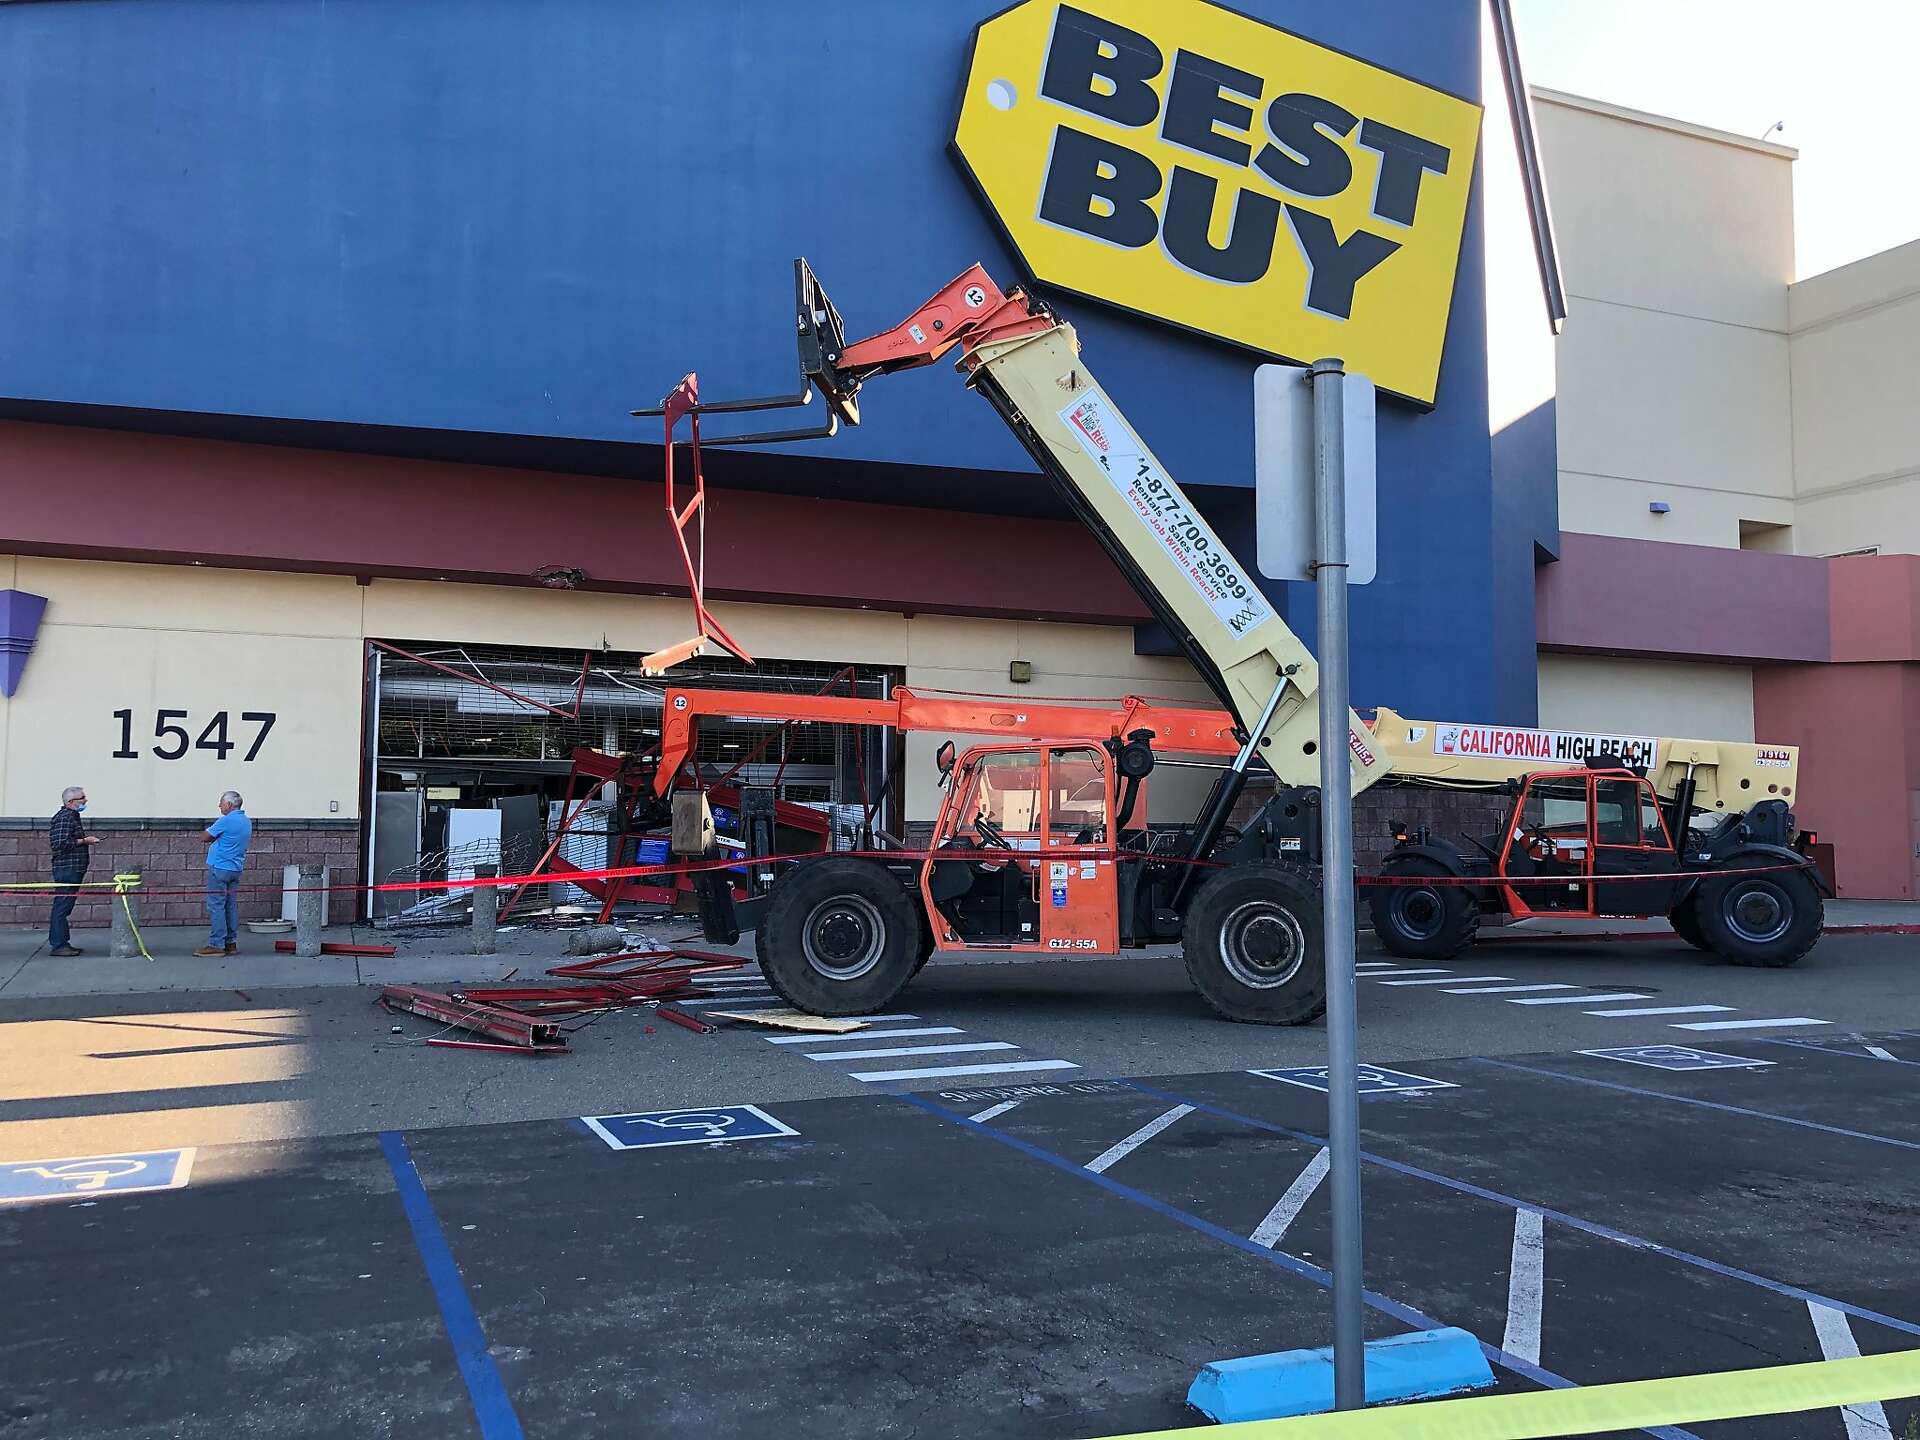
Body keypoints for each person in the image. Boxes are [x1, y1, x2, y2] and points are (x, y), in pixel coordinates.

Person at [197, 790, 253, 957]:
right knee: (230, 905)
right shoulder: (246, 821)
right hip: (235, 868)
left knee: (216, 906)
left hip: (220, 867)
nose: (219, 805)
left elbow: (205, 837)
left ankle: (216, 944)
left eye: (221, 803)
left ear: (229, 804)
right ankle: (230, 943)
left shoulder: (226, 820)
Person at [47, 784, 101, 956]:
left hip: (72, 868)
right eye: (82, 798)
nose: (85, 800)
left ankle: (62, 943)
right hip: (67, 868)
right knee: (62, 906)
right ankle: (59, 945)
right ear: (70, 801)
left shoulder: (72, 816)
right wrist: (84, 841)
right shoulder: (65, 817)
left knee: (64, 906)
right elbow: (59, 843)